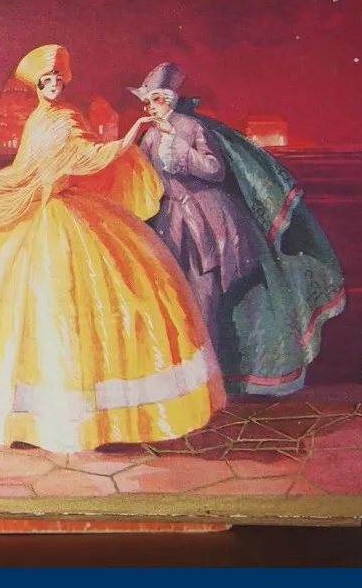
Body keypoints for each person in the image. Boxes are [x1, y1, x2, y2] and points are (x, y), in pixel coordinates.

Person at [0, 45, 224, 453]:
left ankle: (90, 416)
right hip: (35, 208)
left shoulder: (68, 118)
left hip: (71, 214)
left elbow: (92, 156)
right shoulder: (37, 121)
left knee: (82, 306)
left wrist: (132, 132)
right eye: (46, 81)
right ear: (38, 87)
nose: (52, 86)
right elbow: (23, 172)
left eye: (57, 80)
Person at [132, 62, 345, 397]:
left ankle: (210, 383)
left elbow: (214, 170)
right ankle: (187, 381)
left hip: (206, 220)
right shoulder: (150, 136)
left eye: (154, 100)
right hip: (170, 221)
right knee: (178, 298)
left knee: (206, 298)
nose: (149, 108)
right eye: (146, 102)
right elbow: (144, 175)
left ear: (168, 99)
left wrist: (182, 152)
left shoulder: (191, 127)